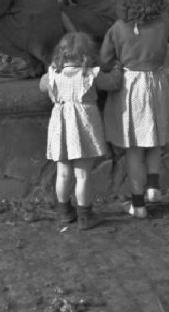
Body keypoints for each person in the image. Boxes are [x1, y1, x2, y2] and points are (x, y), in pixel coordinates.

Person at [99, 0, 169, 219]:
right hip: (157, 83)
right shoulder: (164, 24)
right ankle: (153, 185)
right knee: (154, 137)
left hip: (129, 88)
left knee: (134, 147)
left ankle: (138, 203)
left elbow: (104, 60)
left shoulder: (118, 28)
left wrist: (115, 68)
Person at [39, 32, 123, 230]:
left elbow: (42, 85)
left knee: (63, 172)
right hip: (84, 129)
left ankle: (64, 212)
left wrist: (49, 77)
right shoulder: (90, 74)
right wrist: (118, 69)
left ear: (60, 54)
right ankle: (85, 215)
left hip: (61, 128)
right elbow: (113, 83)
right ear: (86, 54)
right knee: (83, 174)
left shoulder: (53, 75)